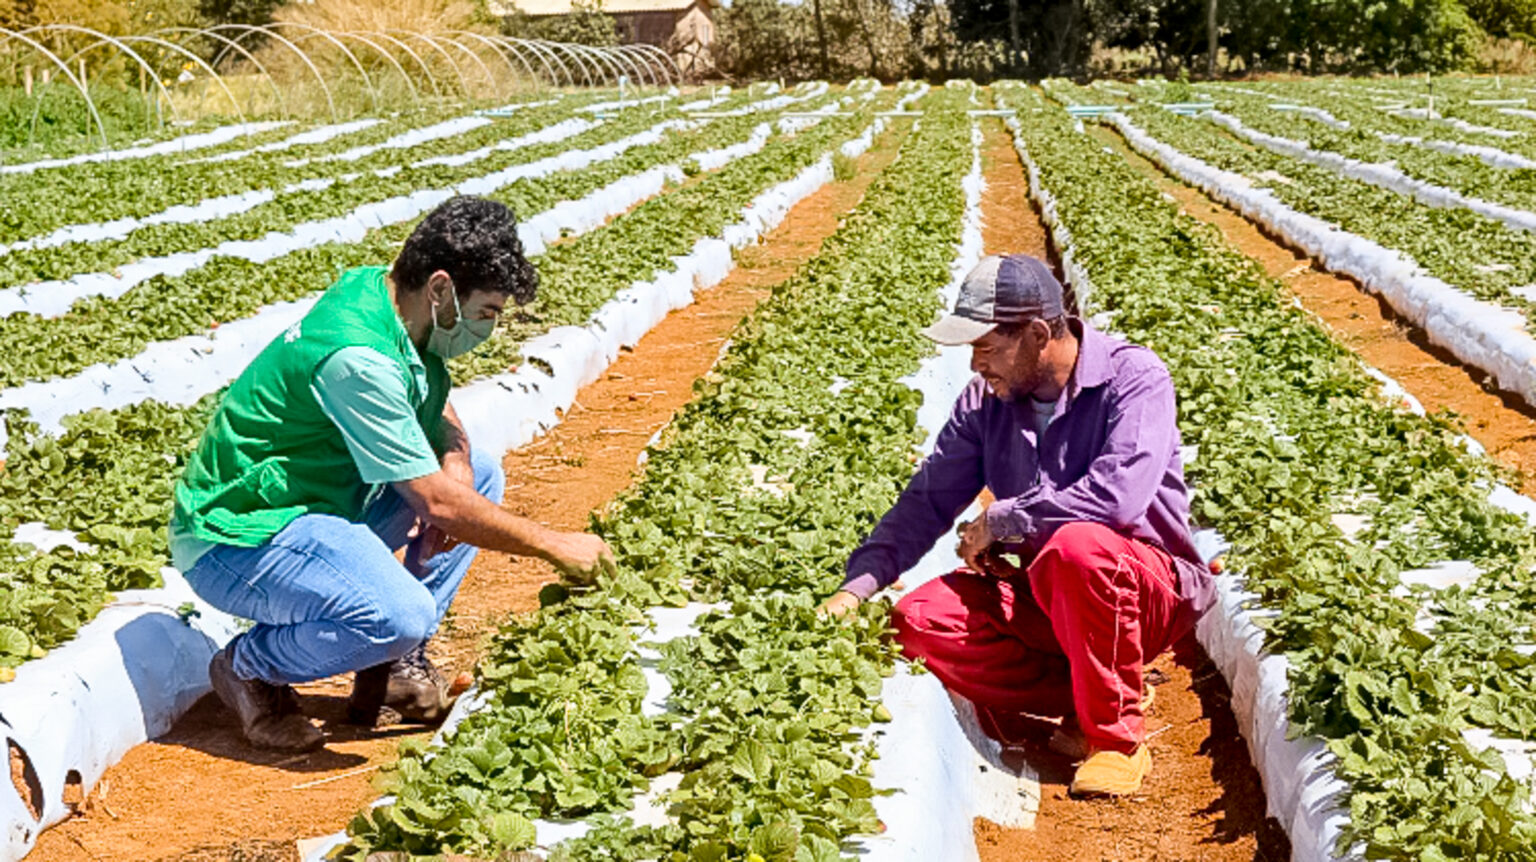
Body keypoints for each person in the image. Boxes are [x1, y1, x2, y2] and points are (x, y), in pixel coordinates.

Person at [170, 196, 616, 753]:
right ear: (440, 289)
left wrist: (455, 459)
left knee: (475, 473)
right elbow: (438, 503)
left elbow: (430, 402)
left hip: (317, 506)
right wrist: (556, 546)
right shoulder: (356, 356)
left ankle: (397, 665)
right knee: (402, 611)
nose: (489, 330)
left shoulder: (388, 297)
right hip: (238, 538)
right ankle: (251, 667)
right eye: (486, 314)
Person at [819, 253, 1214, 797]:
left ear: (1035, 334)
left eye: (986, 348)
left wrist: (1005, 518)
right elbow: (926, 502)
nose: (977, 365)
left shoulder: (1134, 379)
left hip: (1142, 589)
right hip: (1045, 596)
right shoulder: (986, 402)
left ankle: (1117, 740)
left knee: (1075, 548)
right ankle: (1091, 693)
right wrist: (856, 588)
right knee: (920, 620)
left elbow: (1117, 500)